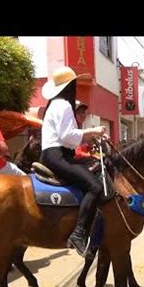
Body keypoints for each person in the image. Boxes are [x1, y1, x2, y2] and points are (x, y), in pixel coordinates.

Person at [40, 66, 107, 257]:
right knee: (94, 187)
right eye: (74, 84)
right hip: (57, 155)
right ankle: (78, 234)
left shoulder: (54, 104)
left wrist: (89, 137)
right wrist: (91, 132)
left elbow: (67, 137)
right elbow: (67, 136)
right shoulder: (63, 105)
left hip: (56, 153)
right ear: (70, 86)